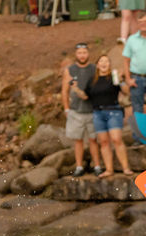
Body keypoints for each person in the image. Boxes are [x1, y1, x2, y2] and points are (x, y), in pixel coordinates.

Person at [87, 54, 134, 178]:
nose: (104, 63)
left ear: (109, 64)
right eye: (101, 61)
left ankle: (126, 168)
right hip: (98, 113)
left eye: (106, 61)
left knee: (116, 139)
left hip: (113, 111)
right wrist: (74, 89)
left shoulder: (113, 76)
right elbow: (87, 96)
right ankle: (109, 169)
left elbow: (126, 91)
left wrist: (121, 80)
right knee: (103, 142)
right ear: (97, 65)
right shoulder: (92, 80)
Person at [62, 42, 103, 178]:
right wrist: (66, 108)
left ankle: (97, 166)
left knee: (93, 139)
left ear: (88, 54)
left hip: (92, 110)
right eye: (79, 53)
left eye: (84, 52)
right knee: (77, 140)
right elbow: (65, 91)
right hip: (75, 111)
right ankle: (79, 166)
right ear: (76, 54)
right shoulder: (70, 70)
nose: (82, 55)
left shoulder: (94, 68)